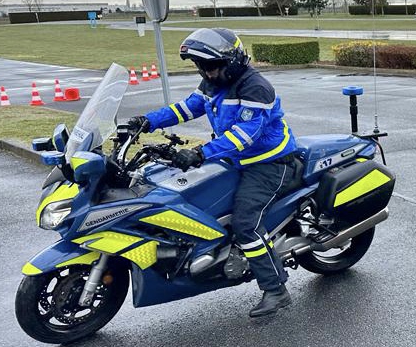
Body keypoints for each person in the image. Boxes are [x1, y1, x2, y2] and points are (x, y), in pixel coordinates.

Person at [127, 28, 300, 318]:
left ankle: (275, 289)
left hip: (270, 163)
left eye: (211, 66)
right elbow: (187, 108)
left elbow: (246, 134)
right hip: (235, 161)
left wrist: (200, 153)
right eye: (202, 67)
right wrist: (147, 121)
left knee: (246, 223)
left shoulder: (255, 87)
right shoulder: (213, 82)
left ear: (231, 62)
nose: (207, 73)